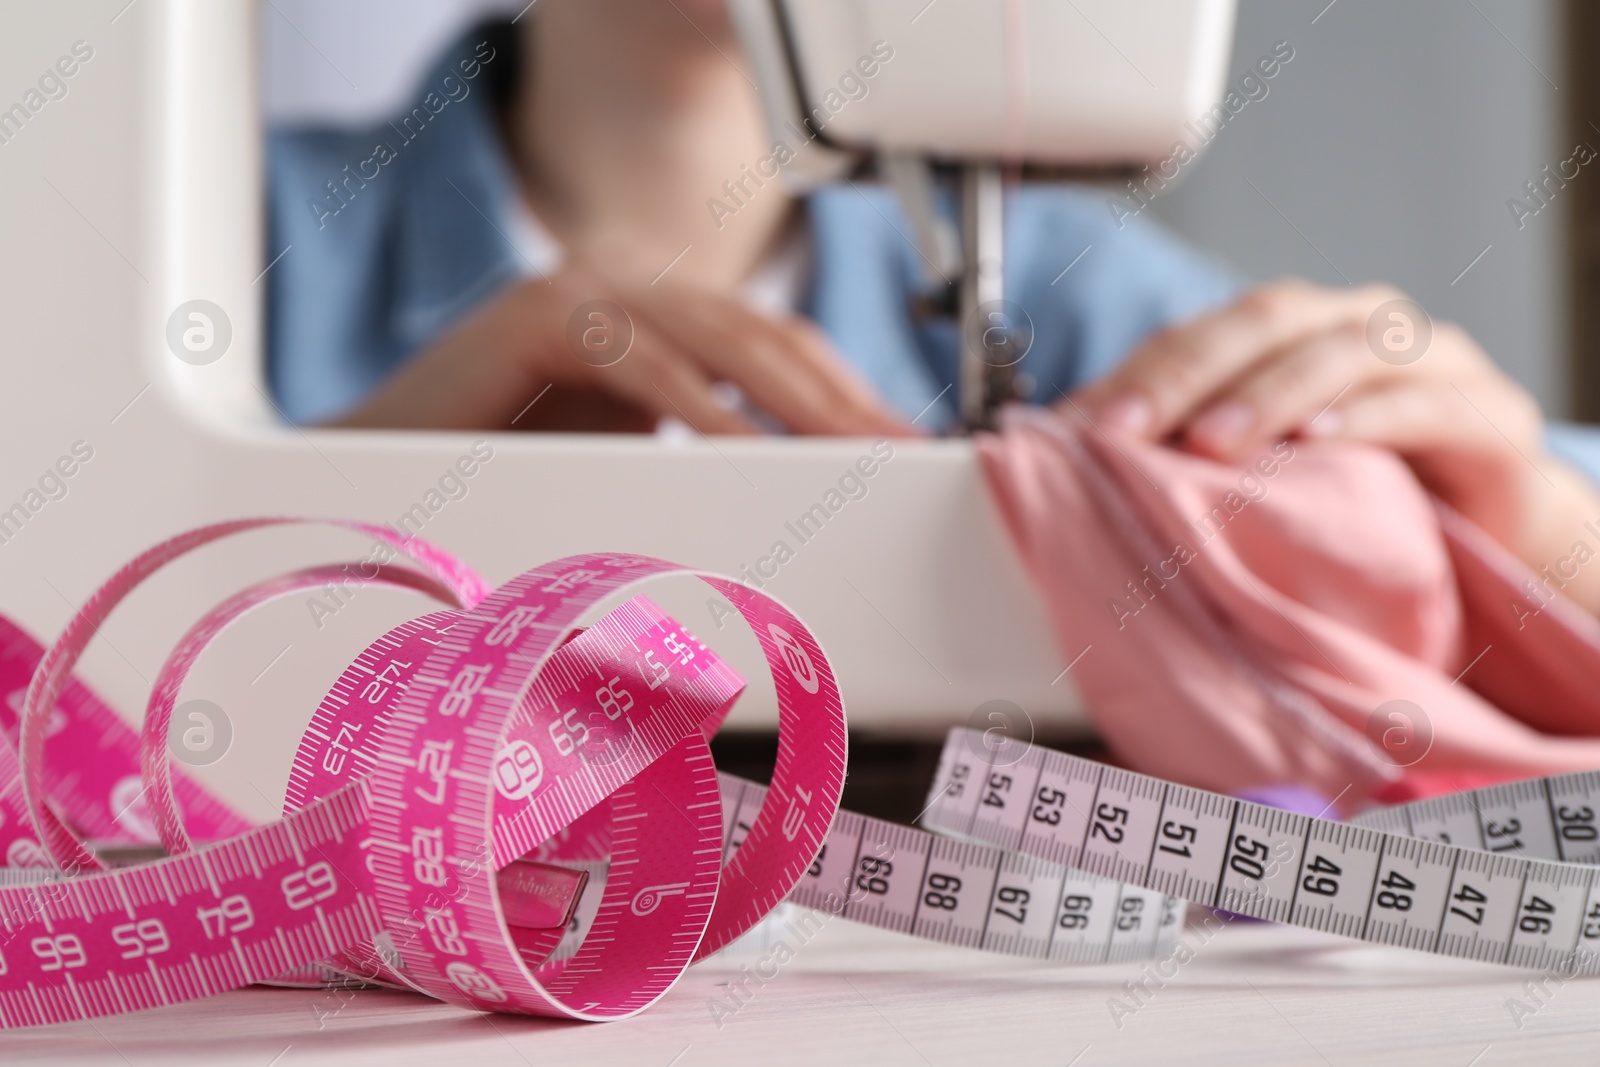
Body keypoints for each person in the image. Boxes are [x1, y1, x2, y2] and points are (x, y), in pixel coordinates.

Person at [266, 0, 1600, 615]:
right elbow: (58, 702)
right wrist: (344, 506)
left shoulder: (1068, 281)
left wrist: (1531, 518)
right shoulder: (231, 234)